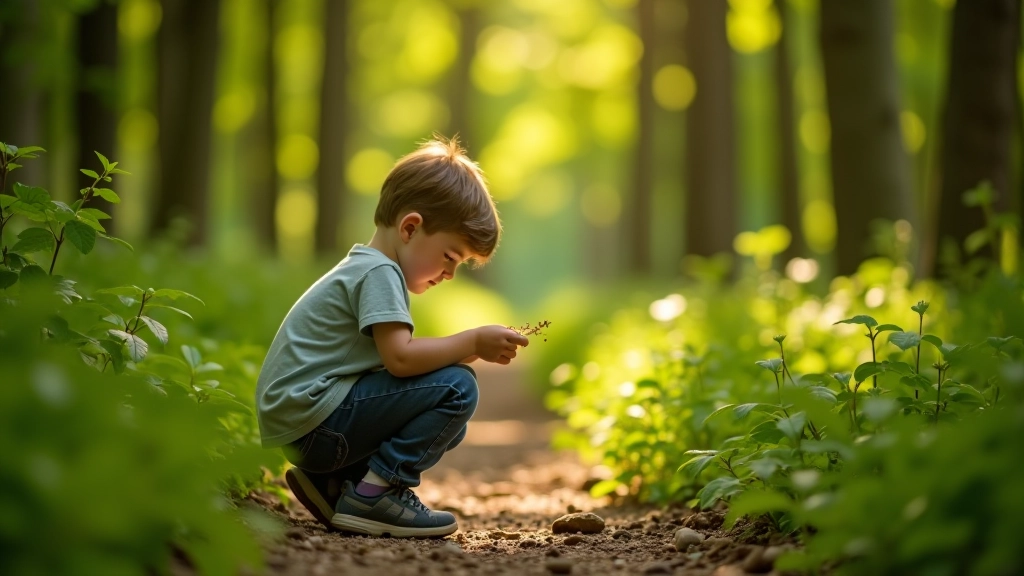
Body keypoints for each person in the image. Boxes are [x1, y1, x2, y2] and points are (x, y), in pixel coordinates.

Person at [255, 136, 529, 538]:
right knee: (457, 389)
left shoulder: (365, 267)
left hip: (304, 424)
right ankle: (373, 494)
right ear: (410, 227)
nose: (450, 274)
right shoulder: (380, 273)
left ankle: (335, 484)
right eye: (451, 257)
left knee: (446, 417)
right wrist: (471, 344)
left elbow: (392, 366)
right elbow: (401, 359)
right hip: (316, 425)